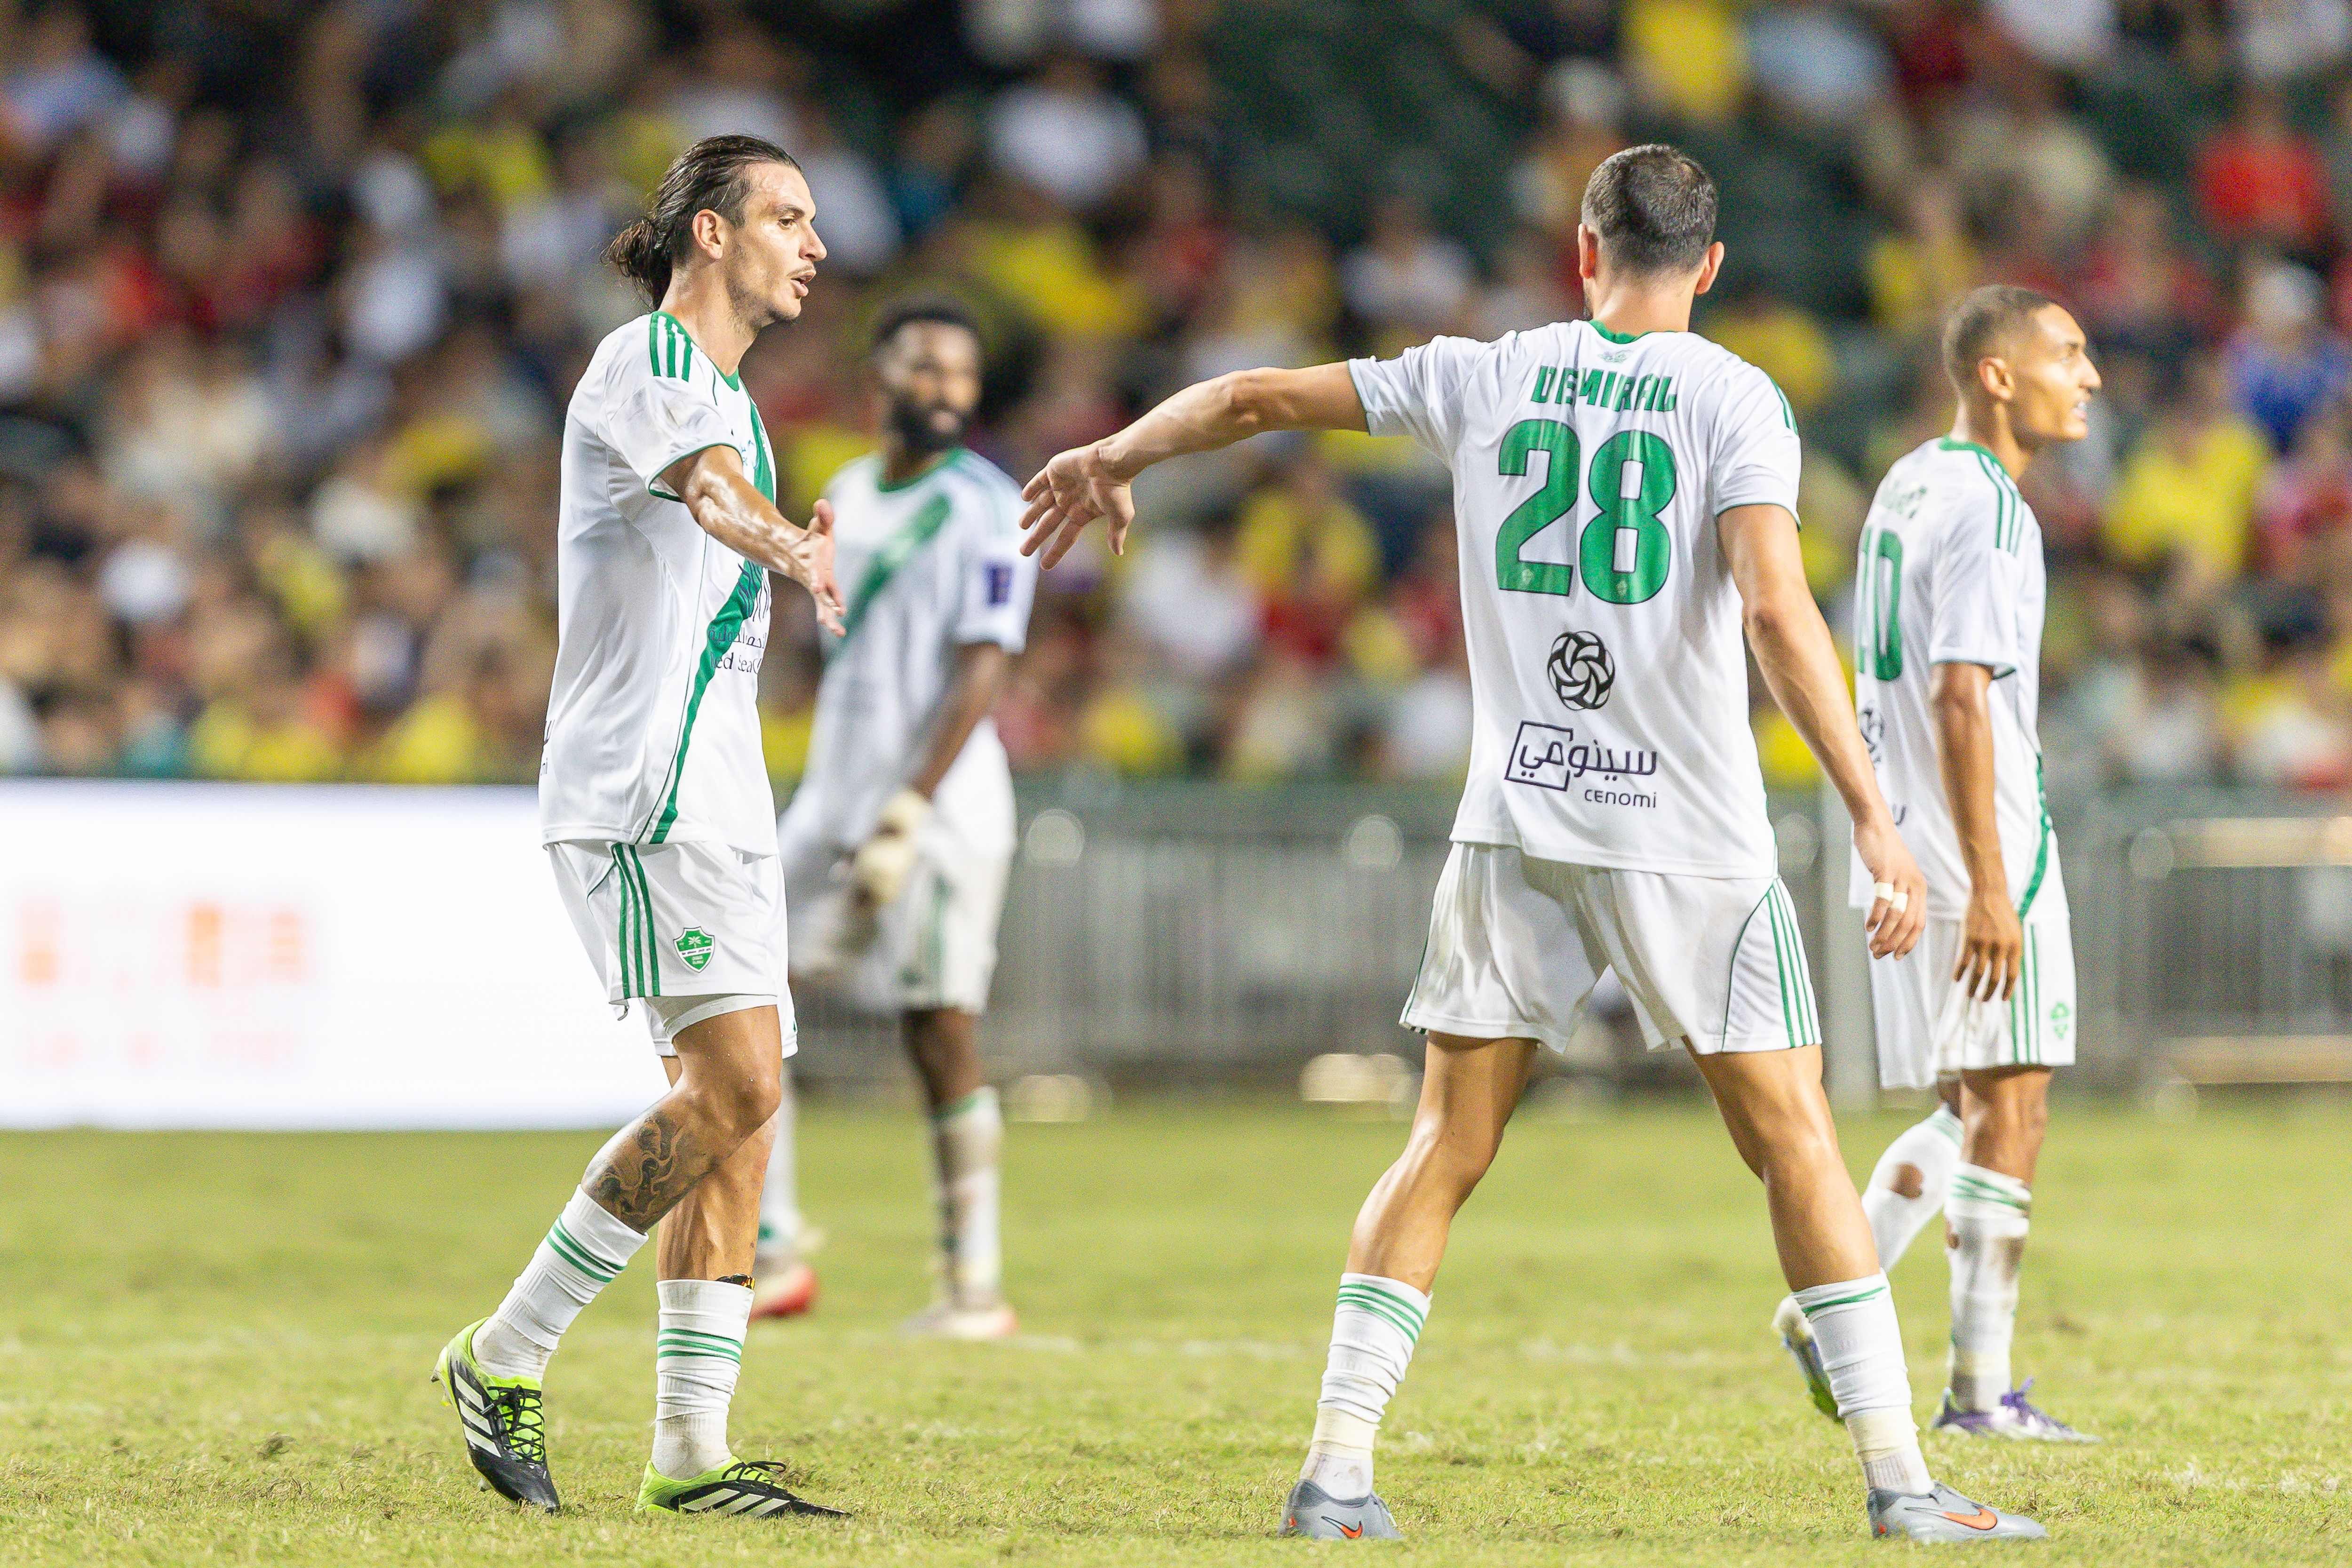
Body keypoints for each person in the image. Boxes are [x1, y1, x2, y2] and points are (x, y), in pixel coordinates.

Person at [1018, 144, 2045, 1544]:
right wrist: (1874, 811)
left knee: (1446, 1139)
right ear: (1715, 265)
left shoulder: (1484, 372)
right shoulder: (1734, 397)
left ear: (1582, 249)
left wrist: (1112, 450)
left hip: (1516, 817)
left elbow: (1257, 396)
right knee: (1798, 1142)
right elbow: (1770, 609)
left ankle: (1334, 1470)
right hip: (1687, 837)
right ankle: (1901, 1482)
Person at [430, 134, 852, 1520]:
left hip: (718, 790)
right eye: (789, 217)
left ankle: (689, 1447)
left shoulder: (723, 391)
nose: (816, 243)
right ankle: (507, 1350)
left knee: (750, 1106)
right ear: (713, 233)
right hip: (641, 788)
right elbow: (714, 495)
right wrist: (789, 542)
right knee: (729, 1085)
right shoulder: (649, 366)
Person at [1772, 285, 2102, 1445]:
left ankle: (1829, 1308)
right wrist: (1996, 881)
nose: (2091, 375)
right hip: (1978, 846)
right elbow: (1963, 696)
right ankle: (1980, 1391)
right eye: (2068, 352)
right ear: (1999, 375)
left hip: (1907, 835)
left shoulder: (1906, 482)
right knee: (2011, 1109)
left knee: (1967, 1105)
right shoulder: (1994, 509)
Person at [753, 298, 1038, 1338]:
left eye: (962, 374)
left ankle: (974, 1283)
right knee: (739, 996)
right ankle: (772, 1246)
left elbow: (982, 669)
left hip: (942, 806)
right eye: (926, 369)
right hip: (834, 792)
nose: (947, 391)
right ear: (881, 379)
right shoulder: (846, 490)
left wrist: (910, 806)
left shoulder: (990, 508)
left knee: (938, 1030)